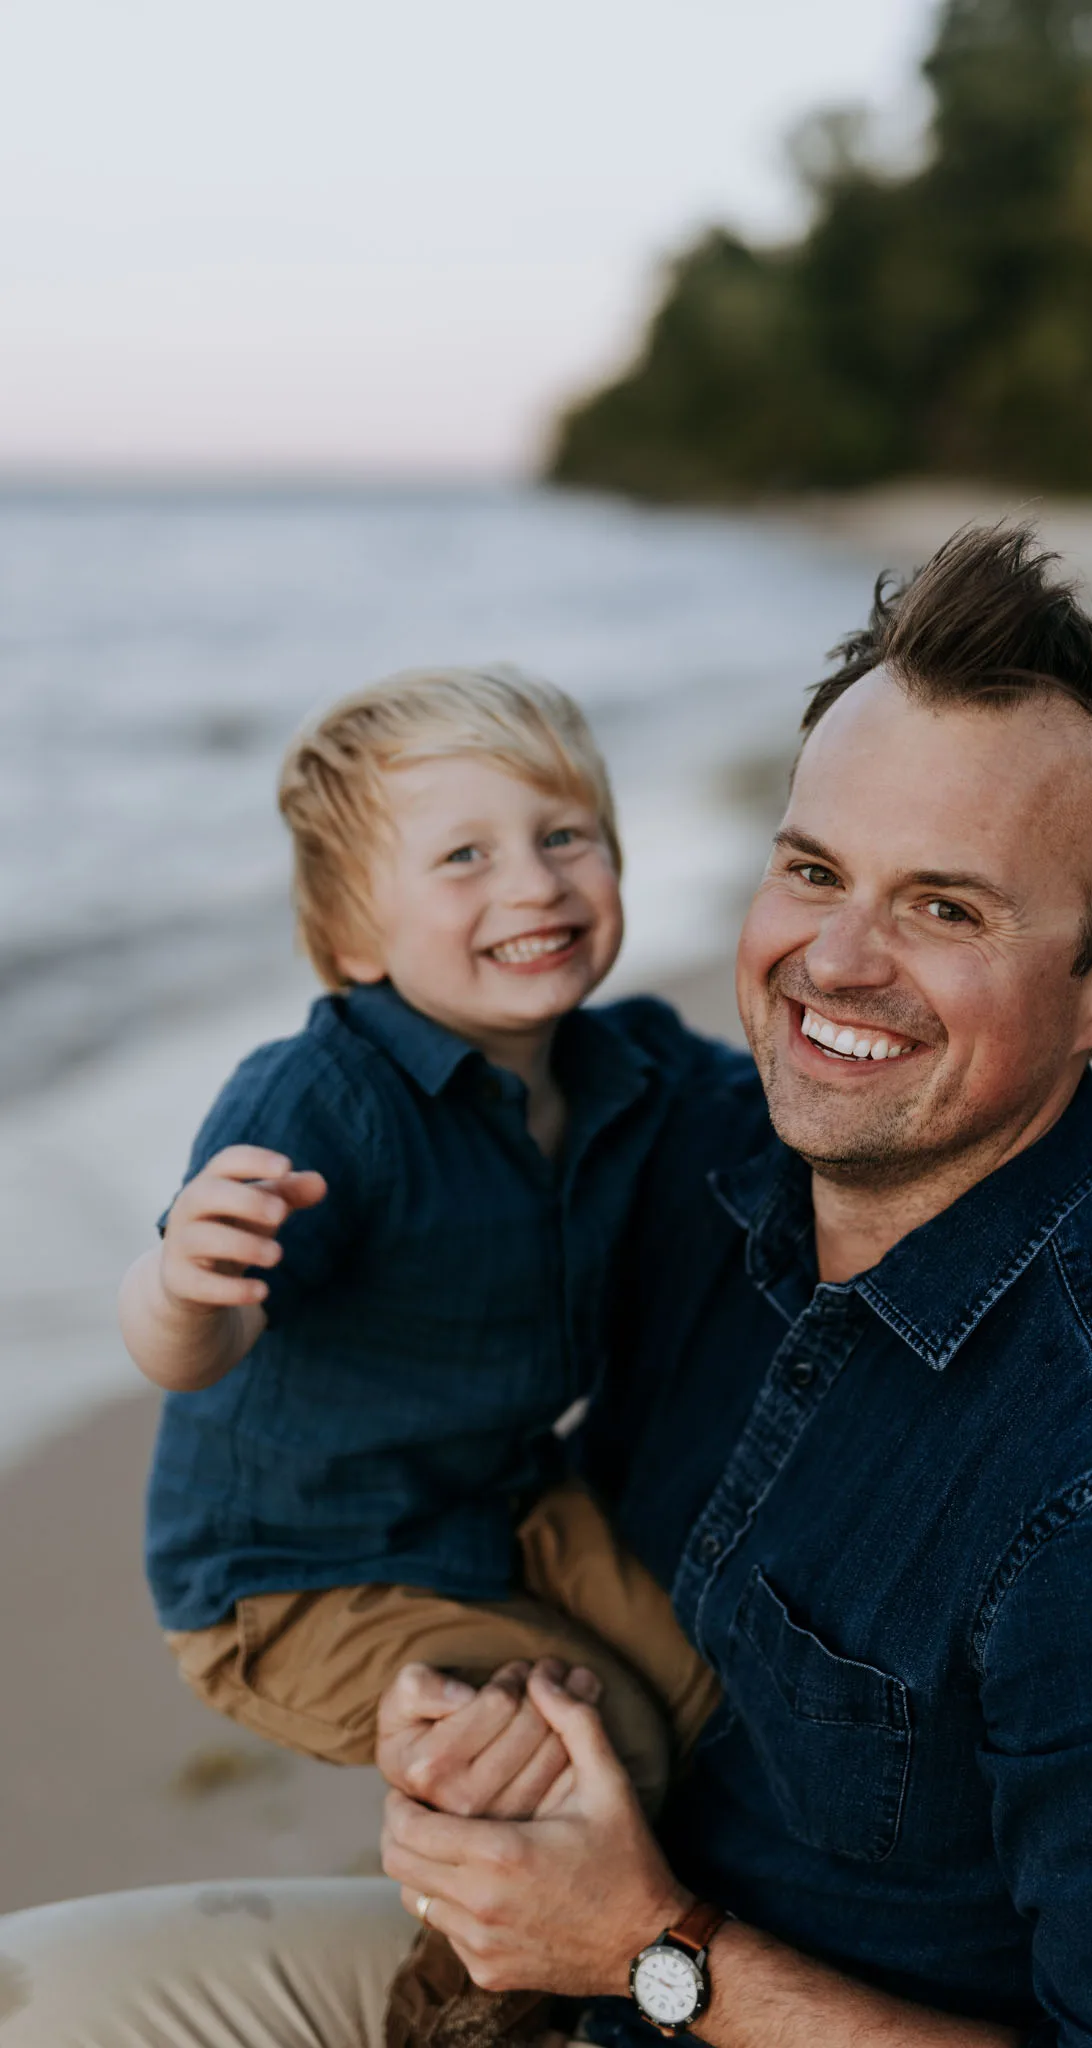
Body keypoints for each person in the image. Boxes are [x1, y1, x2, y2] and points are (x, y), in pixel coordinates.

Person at [1, 526, 1092, 2047]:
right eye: (813, 869)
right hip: (554, 1986)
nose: (835, 961)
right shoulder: (686, 1143)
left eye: (945, 908)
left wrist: (655, 1948)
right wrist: (426, 1697)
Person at [115, 665, 723, 2046]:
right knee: (588, 1736)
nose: (535, 880)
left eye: (566, 835)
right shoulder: (326, 1099)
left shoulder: (627, 1064)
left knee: (704, 1680)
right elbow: (193, 1344)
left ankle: (665, 1952)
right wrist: (180, 1281)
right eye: (464, 855)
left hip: (491, 1497)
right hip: (292, 1568)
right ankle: (460, 2021)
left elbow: (783, 1134)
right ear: (353, 938)